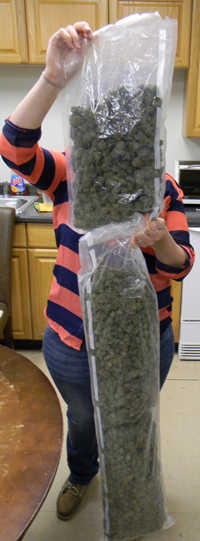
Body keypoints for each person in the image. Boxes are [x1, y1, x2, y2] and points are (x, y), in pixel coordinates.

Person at [0, 21, 195, 523]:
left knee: (131, 418)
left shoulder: (164, 190)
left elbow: (182, 265)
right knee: (84, 418)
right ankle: (83, 472)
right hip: (72, 336)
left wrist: (161, 240)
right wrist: (52, 77)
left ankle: (131, 484)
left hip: (144, 337)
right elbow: (14, 149)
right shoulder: (70, 174)